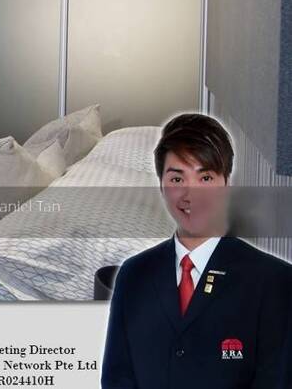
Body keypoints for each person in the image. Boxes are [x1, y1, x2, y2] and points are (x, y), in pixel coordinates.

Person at [101, 113, 292, 388]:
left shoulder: (275, 281)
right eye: (177, 180)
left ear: (226, 184)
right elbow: (116, 378)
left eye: (205, 178)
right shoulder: (134, 275)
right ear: (161, 185)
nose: (191, 195)